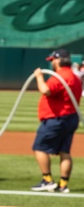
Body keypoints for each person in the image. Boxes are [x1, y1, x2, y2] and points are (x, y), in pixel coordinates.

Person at [30, 48, 82, 193]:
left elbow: (45, 90)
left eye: (53, 60)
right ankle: (63, 184)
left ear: (58, 60)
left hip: (57, 118)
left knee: (40, 147)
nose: (52, 63)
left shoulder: (61, 76)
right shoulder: (74, 76)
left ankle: (47, 180)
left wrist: (39, 77)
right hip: (70, 118)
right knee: (64, 151)